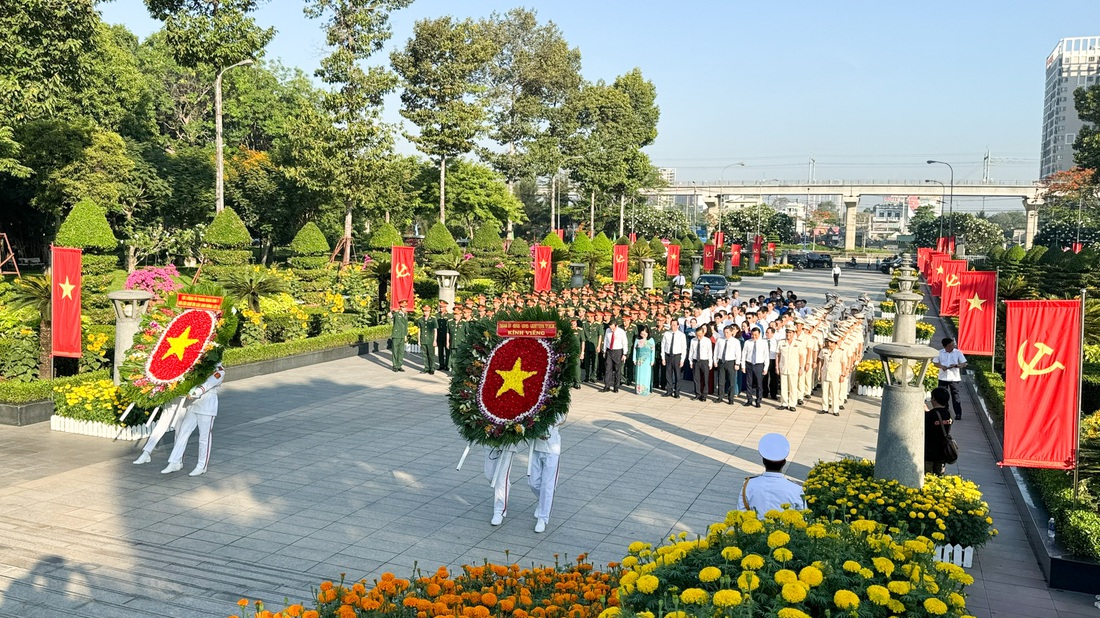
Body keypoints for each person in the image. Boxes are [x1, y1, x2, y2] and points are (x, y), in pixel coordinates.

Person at [160, 364, 225, 476]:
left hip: (207, 407)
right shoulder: (199, 365)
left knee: (204, 438)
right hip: (194, 405)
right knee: (182, 433)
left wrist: (195, 392)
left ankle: (201, 466)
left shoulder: (220, 371)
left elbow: (209, 383)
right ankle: (175, 461)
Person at [739, 433, 806, 518]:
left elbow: (741, 515)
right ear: (784, 463)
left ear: (763, 461)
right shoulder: (796, 489)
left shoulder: (748, 485)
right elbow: (803, 518)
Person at [528, 424, 561, 533]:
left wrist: (546, 429)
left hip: (552, 447)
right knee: (533, 482)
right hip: (536, 445)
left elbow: (562, 418)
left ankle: (542, 518)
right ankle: (543, 501)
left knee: (547, 485)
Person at [933, 338, 967, 420]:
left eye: (953, 345)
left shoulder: (958, 352)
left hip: (954, 378)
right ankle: (945, 412)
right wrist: (942, 366)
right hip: (943, 377)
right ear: (945, 346)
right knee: (942, 396)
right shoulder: (939, 352)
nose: (952, 346)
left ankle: (958, 413)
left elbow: (964, 363)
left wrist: (956, 365)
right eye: (950, 345)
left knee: (955, 396)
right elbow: (935, 363)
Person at [925, 387, 954, 475]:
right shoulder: (950, 414)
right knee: (939, 476)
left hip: (929, 453)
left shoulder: (929, 416)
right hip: (942, 453)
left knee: (927, 476)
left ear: (934, 399)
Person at [741, 327, 768, 408]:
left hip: (759, 365)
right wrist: (743, 365)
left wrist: (765, 367)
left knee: (759, 384)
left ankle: (758, 400)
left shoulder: (764, 343)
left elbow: (766, 356)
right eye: (752, 335)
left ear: (759, 334)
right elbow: (744, 354)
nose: (754, 336)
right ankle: (749, 399)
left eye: (756, 335)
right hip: (749, 364)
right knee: (749, 383)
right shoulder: (747, 342)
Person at [775, 329, 802, 411]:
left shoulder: (798, 343)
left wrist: (801, 368)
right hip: (783, 367)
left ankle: (792, 404)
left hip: (794, 368)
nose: (788, 334)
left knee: (793, 387)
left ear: (794, 333)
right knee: (783, 386)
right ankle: (784, 403)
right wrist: (777, 366)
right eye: (787, 332)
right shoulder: (781, 342)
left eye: (790, 333)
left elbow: (801, 356)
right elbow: (777, 355)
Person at [715, 325, 741, 405]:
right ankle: (720, 396)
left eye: (727, 332)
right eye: (725, 332)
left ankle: (731, 398)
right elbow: (716, 351)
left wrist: (737, 363)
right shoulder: (720, 340)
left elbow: (738, 353)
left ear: (731, 332)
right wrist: (715, 360)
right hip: (721, 361)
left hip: (731, 362)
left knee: (731, 381)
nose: (726, 334)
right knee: (721, 380)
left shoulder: (735, 341)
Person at [661, 318, 687, 398]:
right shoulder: (666, 334)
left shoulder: (681, 335)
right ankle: (669, 390)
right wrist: (663, 357)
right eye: (672, 325)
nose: (673, 327)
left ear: (678, 326)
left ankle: (677, 392)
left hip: (677, 356)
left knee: (677, 375)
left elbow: (684, 348)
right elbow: (663, 345)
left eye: (675, 325)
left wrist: (682, 359)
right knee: (668, 374)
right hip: (668, 355)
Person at [602, 318, 627, 393]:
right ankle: (607, 386)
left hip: (618, 351)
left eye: (613, 328)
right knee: (608, 369)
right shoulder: (607, 330)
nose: (611, 330)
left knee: (617, 369)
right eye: (610, 328)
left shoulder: (621, 332)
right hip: (609, 350)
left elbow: (624, 342)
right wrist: (604, 351)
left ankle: (616, 387)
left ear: (616, 326)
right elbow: (606, 340)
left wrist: (624, 354)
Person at [689, 326, 713, 401]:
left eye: (700, 334)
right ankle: (697, 394)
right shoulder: (693, 340)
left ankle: (704, 395)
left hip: (704, 361)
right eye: (697, 334)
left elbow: (710, 352)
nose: (698, 336)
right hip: (696, 360)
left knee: (705, 378)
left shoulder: (707, 340)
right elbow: (691, 351)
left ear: (703, 333)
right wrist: (690, 361)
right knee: (696, 378)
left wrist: (710, 363)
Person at [632, 326, 655, 395]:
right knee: (639, 374)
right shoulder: (637, 340)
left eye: (644, 334)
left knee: (646, 375)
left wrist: (652, 360)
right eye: (642, 334)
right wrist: (634, 359)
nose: (643, 336)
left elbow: (652, 351)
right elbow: (635, 350)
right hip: (639, 360)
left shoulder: (651, 340)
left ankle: (646, 390)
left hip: (647, 360)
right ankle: (638, 390)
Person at [418, 304, 437, 374]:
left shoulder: (433, 319)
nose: (426, 313)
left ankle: (432, 368)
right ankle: (426, 368)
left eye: (427, 311)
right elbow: (419, 330)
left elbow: (435, 330)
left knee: (431, 355)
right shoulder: (420, 319)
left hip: (430, 339)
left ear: (430, 311)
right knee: (424, 355)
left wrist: (435, 340)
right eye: (424, 311)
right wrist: (419, 340)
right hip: (423, 339)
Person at [390, 300, 409, 372]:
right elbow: (391, 316)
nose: (405, 309)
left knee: (401, 351)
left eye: (405, 307)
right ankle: (395, 365)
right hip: (396, 334)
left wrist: (405, 335)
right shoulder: (396, 314)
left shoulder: (406, 314)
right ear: (400, 307)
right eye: (403, 307)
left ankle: (399, 365)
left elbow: (406, 325)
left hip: (402, 335)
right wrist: (391, 313)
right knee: (395, 351)